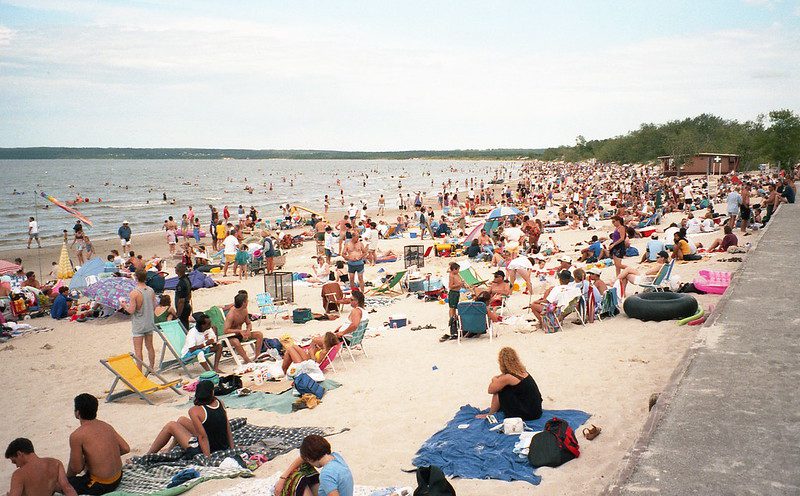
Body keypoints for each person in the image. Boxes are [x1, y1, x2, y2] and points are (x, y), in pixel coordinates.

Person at [147, 380, 233, 457]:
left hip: (205, 449)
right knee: (181, 420)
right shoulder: (219, 402)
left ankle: (148, 454)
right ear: (212, 393)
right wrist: (232, 447)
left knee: (171, 425)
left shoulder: (195, 411)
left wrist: (207, 458)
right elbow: (227, 426)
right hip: (222, 444)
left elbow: (202, 436)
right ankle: (170, 449)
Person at [68, 394, 129, 495]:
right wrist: (103, 459)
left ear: (77, 413)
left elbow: (76, 468)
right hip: (118, 477)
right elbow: (125, 448)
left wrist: (68, 479)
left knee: (58, 483)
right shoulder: (106, 426)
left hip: (101, 484)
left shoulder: (77, 435)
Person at [475, 347, 543, 421]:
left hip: (529, 415)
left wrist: (494, 378)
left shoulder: (508, 377)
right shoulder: (522, 371)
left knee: (500, 391)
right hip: (537, 411)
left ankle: (490, 414)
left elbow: (491, 390)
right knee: (505, 387)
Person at [275, 435, 354, 496]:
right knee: (302, 466)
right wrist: (283, 477)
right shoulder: (336, 457)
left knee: (295, 477)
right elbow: (302, 458)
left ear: (310, 458)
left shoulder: (326, 474)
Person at [5, 438, 77, 496]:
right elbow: (67, 488)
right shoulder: (56, 463)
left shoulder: (19, 474)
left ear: (19, 453)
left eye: (15, 462)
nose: (17, 466)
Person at [121, 268, 157, 371]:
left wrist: (124, 306)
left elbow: (131, 310)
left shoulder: (134, 293)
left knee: (138, 349)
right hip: (149, 322)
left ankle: (139, 370)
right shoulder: (151, 290)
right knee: (150, 346)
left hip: (139, 323)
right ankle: (151, 367)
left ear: (136, 277)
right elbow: (154, 306)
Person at [223, 292, 264, 363]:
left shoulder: (244, 310)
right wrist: (239, 331)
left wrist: (248, 330)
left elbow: (248, 323)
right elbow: (226, 330)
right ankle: (247, 360)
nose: (248, 302)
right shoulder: (231, 314)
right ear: (243, 303)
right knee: (236, 341)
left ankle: (257, 356)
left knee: (259, 334)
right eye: (247, 300)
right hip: (230, 337)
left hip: (241, 334)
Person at [440, 263, 465, 342]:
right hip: (453, 293)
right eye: (457, 269)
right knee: (452, 307)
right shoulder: (451, 275)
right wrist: (459, 284)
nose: (458, 271)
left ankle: (454, 319)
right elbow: (450, 286)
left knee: (455, 307)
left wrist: (462, 284)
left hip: (457, 292)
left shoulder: (457, 275)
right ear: (454, 269)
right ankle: (452, 319)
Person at [174, 263, 193, 330]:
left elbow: (181, 301)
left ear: (178, 270)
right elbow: (189, 295)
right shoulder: (187, 280)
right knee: (186, 325)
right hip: (187, 306)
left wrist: (178, 314)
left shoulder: (181, 283)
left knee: (183, 327)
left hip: (183, 308)